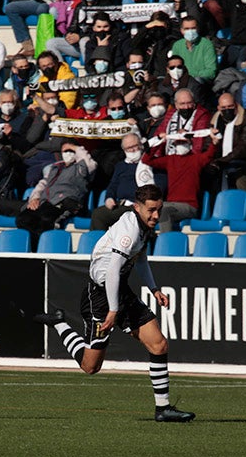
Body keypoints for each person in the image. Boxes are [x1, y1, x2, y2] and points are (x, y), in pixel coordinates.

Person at [33, 184, 195, 423]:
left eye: (159, 210)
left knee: (159, 345)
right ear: (137, 207)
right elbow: (111, 271)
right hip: (100, 296)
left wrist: (154, 289)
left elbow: (140, 259)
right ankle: (60, 324)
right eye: (151, 210)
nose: (156, 216)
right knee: (91, 367)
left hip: (119, 292)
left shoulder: (144, 226)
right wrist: (112, 310)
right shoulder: (128, 230)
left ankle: (163, 409)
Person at [91, 133, 155, 231]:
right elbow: (113, 185)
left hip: (139, 206)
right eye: (129, 148)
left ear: (140, 145)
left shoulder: (149, 163)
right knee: (98, 214)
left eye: (135, 146)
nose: (133, 150)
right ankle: (101, 244)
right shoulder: (120, 166)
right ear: (124, 150)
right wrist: (109, 198)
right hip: (121, 205)